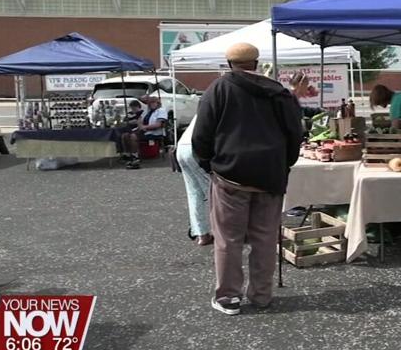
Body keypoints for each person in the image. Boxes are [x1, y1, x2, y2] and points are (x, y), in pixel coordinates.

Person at [193, 42, 303, 315]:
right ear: (256, 63)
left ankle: (228, 297)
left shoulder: (218, 89)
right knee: (265, 240)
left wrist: (209, 164)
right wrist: (283, 164)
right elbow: (295, 135)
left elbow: (202, 135)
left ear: (229, 63)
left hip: (230, 175)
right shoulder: (279, 93)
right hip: (270, 176)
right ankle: (261, 296)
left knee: (228, 239)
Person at [176, 115, 213, 247]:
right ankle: (224, 233)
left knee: (194, 193)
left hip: (182, 146)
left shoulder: (211, 102)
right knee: (214, 194)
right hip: (196, 148)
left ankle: (201, 233)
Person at [122, 96, 168, 169]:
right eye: (150, 103)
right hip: (143, 130)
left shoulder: (161, 111)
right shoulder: (147, 111)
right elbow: (139, 120)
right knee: (125, 135)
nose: (152, 104)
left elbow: (158, 124)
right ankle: (128, 154)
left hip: (154, 132)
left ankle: (135, 156)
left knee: (133, 136)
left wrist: (145, 127)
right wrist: (140, 126)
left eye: (154, 102)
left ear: (158, 103)